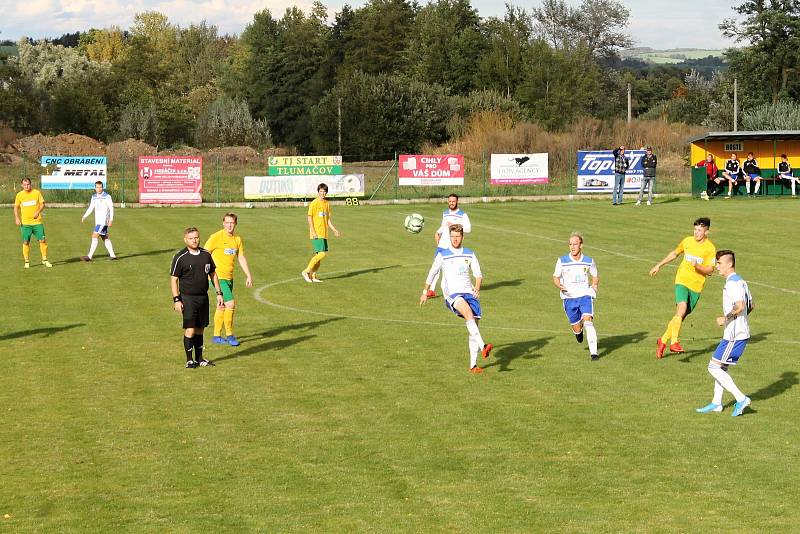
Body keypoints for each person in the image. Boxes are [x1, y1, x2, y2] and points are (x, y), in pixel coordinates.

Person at [420, 224, 493, 373]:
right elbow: (432, 272)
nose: (455, 239)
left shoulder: (470, 254)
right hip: (452, 294)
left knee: (474, 327)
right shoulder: (443, 254)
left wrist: (477, 289)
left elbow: (478, 275)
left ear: (462, 237)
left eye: (457, 236)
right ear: (449, 236)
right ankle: (483, 346)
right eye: (452, 236)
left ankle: (473, 365)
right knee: (468, 313)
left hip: (469, 292)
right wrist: (424, 291)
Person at [696, 249, 753, 417]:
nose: (717, 266)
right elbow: (751, 305)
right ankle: (716, 403)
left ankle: (741, 398)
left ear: (729, 264)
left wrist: (726, 318)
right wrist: (739, 320)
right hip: (736, 333)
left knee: (713, 367)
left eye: (719, 263)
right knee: (721, 367)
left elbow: (741, 305)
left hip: (734, 336)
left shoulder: (732, 283)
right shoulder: (741, 281)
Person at [649, 217, 716, 358]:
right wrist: (659, 265)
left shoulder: (710, 248)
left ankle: (662, 340)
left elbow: (710, 270)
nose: (696, 233)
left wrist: (697, 266)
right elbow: (675, 253)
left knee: (680, 316)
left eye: (700, 230)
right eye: (695, 229)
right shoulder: (687, 241)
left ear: (707, 232)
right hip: (682, 280)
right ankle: (674, 342)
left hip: (696, 287)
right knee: (682, 308)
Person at [170, 227, 225, 368]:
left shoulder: (206, 254)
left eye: (196, 237)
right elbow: (174, 279)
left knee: (201, 328)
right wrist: (177, 299)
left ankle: (199, 358)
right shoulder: (180, 257)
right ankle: (189, 360)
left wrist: (219, 293)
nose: (194, 240)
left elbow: (213, 274)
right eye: (191, 238)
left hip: (203, 297)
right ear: (185, 240)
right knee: (190, 328)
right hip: (188, 298)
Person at [204, 213, 254, 346]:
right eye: (227, 222)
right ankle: (230, 335)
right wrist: (206, 271)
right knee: (230, 304)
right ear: (223, 223)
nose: (229, 225)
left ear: (235, 224)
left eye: (232, 223)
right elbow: (204, 253)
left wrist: (248, 275)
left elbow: (241, 258)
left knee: (222, 306)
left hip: (229, 278)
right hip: (217, 277)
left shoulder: (237, 240)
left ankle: (216, 336)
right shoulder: (216, 237)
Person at [552, 232, 600, 361]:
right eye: (570, 244)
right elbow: (555, 277)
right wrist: (559, 286)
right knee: (577, 327)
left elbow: (595, 275)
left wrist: (594, 286)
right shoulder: (562, 261)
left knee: (588, 322)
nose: (572, 247)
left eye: (575, 244)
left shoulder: (589, 261)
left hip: (585, 295)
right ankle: (578, 333)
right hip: (569, 298)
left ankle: (594, 353)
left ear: (581, 245)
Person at [427, 193, 472, 298]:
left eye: (453, 201)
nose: (451, 203)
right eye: (450, 201)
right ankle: (431, 290)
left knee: (449, 269)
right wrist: (438, 232)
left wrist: (455, 226)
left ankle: (457, 288)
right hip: (441, 245)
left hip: (452, 246)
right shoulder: (445, 213)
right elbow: (443, 226)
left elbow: (468, 229)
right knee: (436, 267)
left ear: (457, 202)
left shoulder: (462, 214)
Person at [301, 183, 341, 283]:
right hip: (316, 233)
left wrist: (334, 229)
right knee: (322, 254)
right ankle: (306, 271)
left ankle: (313, 276)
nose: (322, 193)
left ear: (326, 192)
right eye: (321, 191)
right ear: (318, 192)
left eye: (324, 191)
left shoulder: (327, 203)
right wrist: (313, 231)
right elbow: (309, 217)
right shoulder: (314, 203)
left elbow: (327, 219)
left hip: (324, 233)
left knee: (318, 257)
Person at [13, 177, 52, 268]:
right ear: (22, 185)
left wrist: (38, 212)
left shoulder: (36, 193)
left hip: (37, 222)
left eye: (28, 184)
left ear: (31, 184)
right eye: (25, 185)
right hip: (25, 224)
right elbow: (16, 207)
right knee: (26, 242)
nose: (26, 186)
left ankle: (45, 260)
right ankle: (27, 261)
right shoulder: (19, 195)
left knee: (42, 240)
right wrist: (17, 218)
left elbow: (43, 204)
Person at [80, 181, 117, 261]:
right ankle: (113, 255)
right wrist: (85, 216)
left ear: (102, 187)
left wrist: (111, 220)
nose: (99, 189)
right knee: (104, 237)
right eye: (97, 187)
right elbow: (91, 207)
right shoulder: (94, 197)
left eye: (100, 187)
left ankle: (89, 256)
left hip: (103, 221)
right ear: (95, 188)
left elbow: (111, 208)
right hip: (98, 221)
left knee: (94, 235)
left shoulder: (107, 196)